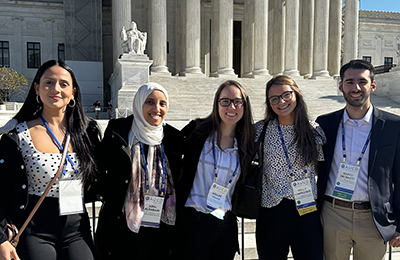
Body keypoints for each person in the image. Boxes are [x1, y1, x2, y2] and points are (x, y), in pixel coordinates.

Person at [0, 59, 101, 260]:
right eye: (48, 82)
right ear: (37, 88)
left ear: (73, 92)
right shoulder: (17, 135)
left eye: (64, 84)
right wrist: (1, 239)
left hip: (77, 228)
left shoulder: (87, 133)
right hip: (34, 229)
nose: (55, 89)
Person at [316, 59, 400, 260]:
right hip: (333, 214)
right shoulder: (325, 123)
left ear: (373, 85)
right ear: (340, 86)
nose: (356, 87)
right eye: (349, 82)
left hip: (373, 217)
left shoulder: (393, 126)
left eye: (362, 82)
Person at [94, 83, 180, 259]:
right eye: (150, 102)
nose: (157, 108)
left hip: (159, 225)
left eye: (162, 103)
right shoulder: (118, 131)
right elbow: (100, 168)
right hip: (121, 223)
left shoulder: (173, 137)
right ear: (139, 103)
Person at [173, 80, 255, 260]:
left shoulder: (247, 143)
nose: (231, 107)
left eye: (237, 102)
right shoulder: (197, 131)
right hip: (193, 220)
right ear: (217, 104)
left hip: (224, 223)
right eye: (225, 101)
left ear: (244, 106)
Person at [255, 75, 326, 260]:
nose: (282, 102)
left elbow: (319, 169)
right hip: (271, 209)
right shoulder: (260, 130)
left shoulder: (313, 130)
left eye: (287, 95)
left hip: (307, 209)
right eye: (274, 99)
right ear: (269, 103)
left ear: (296, 95)